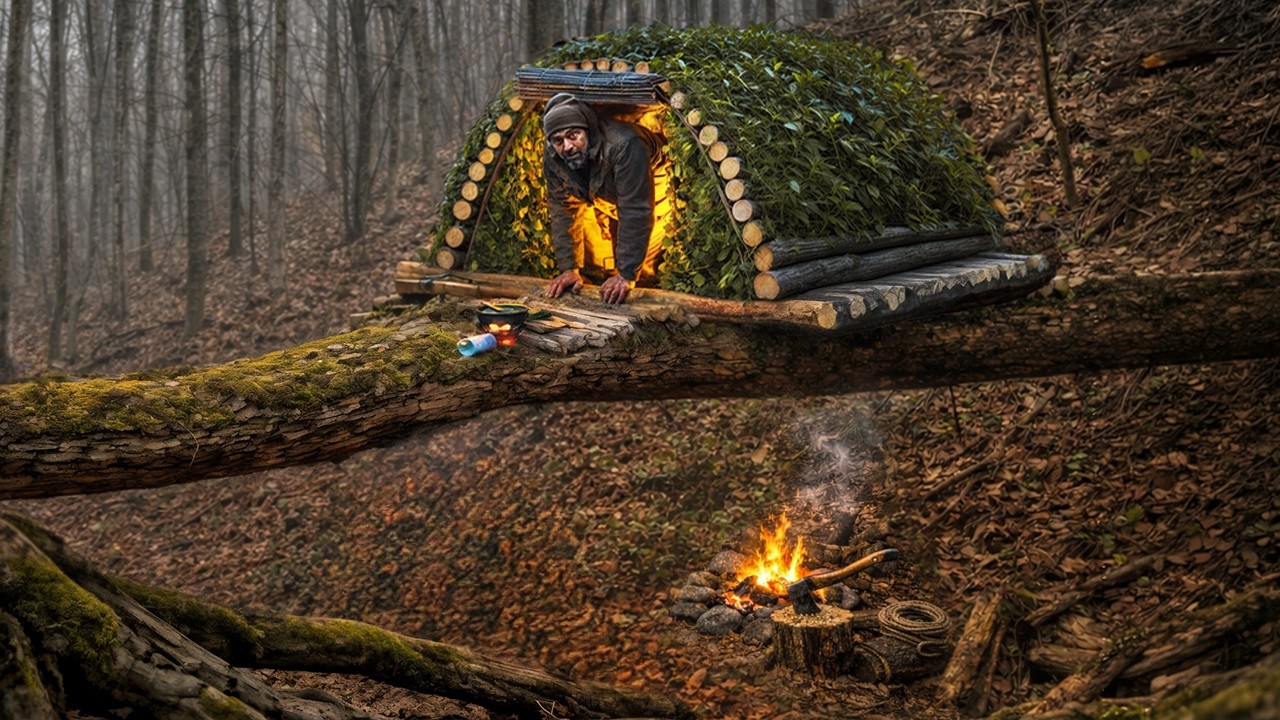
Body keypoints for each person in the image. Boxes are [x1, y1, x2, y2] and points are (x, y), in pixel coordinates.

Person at [541, 93, 665, 304]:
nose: (567, 146)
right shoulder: (554, 156)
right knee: (598, 257)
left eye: (573, 135)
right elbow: (562, 207)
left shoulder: (625, 145)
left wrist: (626, 274)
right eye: (558, 140)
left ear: (587, 130)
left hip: (652, 184)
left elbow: (636, 209)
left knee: (645, 270)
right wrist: (569, 267)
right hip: (601, 191)